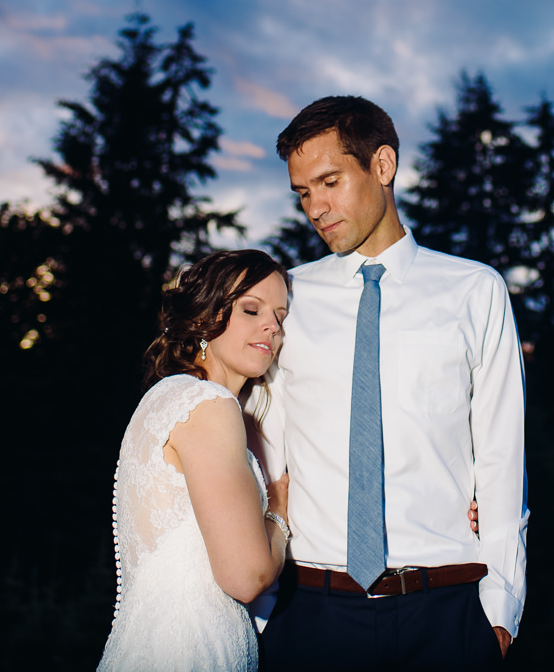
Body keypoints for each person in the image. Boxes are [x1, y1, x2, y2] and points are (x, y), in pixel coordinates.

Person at [258, 96, 527, 671]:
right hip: (311, 616)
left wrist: (500, 612)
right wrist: (264, 610)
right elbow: (266, 451)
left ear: (383, 166)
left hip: (446, 612)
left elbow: (503, 458)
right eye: (303, 192)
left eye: (329, 181)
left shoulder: (474, 291)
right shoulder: (286, 299)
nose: (315, 207)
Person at [97, 250, 294, 672]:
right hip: (193, 649)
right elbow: (246, 577)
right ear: (207, 317)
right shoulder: (210, 405)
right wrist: (278, 512)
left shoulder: (170, 395)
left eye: (281, 315)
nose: (272, 327)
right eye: (251, 309)